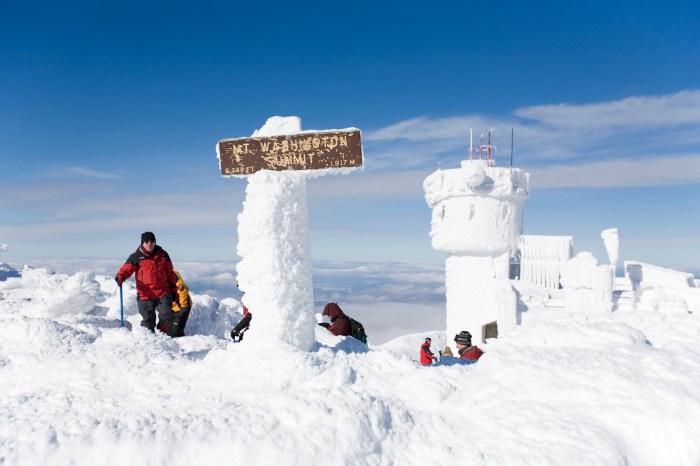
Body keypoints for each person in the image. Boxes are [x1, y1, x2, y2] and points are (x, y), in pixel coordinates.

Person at [115, 231, 178, 335]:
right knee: (148, 320)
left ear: (155, 242)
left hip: (163, 292)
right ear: (142, 243)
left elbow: (170, 273)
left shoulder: (163, 255)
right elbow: (126, 269)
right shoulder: (135, 257)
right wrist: (121, 276)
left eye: (152, 241)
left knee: (167, 315)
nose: (149, 243)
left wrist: (173, 290)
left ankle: (164, 337)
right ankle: (149, 341)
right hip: (145, 294)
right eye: (146, 241)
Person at [167, 270, 192, 337]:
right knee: (169, 331)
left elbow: (183, 290)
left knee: (176, 331)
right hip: (171, 308)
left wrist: (183, 306)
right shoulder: (156, 275)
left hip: (182, 307)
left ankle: (182, 345)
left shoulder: (171, 274)